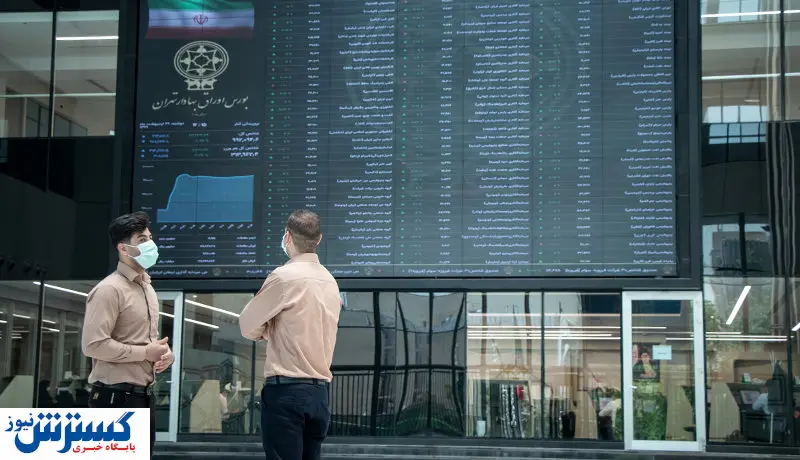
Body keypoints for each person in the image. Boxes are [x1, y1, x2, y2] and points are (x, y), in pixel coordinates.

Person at [239, 210, 341, 460]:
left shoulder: (283, 277)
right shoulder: (331, 282)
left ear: (287, 237)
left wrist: (270, 330)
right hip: (319, 396)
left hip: (286, 392)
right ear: (319, 239)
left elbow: (247, 325)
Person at [81, 212, 174, 457]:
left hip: (143, 397)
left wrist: (164, 354)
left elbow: (145, 340)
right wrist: (145, 353)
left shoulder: (147, 288)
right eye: (142, 240)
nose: (150, 244)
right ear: (123, 248)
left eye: (150, 238)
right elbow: (93, 345)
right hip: (114, 399)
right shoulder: (109, 289)